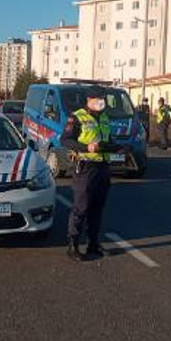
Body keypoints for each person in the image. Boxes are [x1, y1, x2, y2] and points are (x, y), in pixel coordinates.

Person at [60, 87, 122, 261]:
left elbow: (106, 140)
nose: (102, 101)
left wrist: (118, 147)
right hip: (86, 167)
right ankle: (73, 245)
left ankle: (93, 243)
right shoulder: (78, 117)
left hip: (103, 166)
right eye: (100, 98)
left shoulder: (103, 117)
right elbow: (65, 140)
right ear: (90, 99)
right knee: (81, 207)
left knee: (97, 207)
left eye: (103, 98)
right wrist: (87, 147)